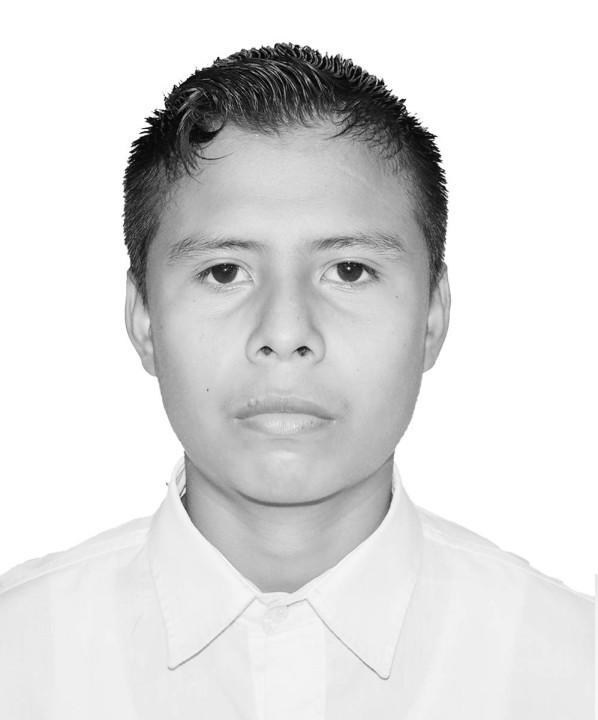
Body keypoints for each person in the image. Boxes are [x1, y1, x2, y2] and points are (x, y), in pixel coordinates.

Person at [0, 43, 592, 719]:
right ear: (143, 317)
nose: (285, 332)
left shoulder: (573, 671)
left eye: (349, 271)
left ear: (432, 314)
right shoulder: (18, 661)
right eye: (224, 272)